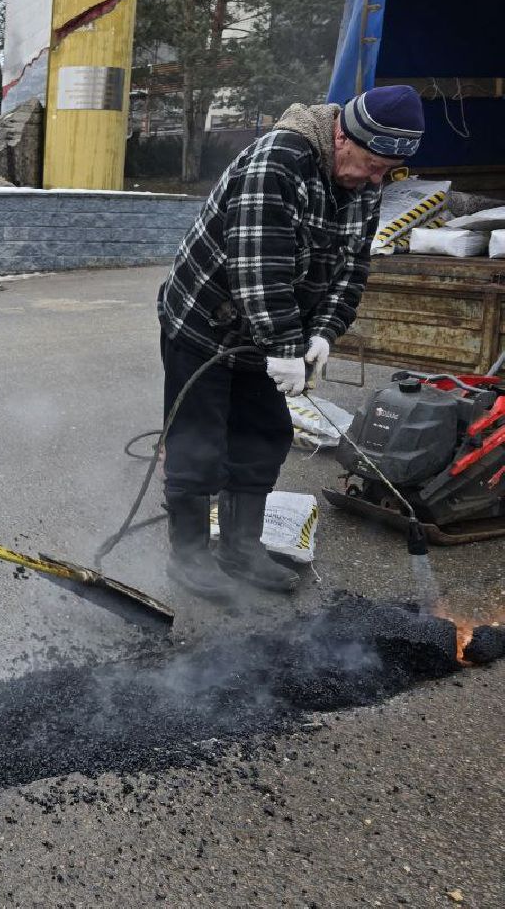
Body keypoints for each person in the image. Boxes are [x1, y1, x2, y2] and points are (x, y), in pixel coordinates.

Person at [156, 84, 424, 600]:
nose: (375, 180)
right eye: (372, 165)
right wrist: (283, 348)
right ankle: (188, 559)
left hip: (268, 330)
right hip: (204, 322)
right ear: (342, 137)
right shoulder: (280, 159)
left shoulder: (365, 183)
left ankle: (240, 549)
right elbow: (259, 265)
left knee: (264, 434)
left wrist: (325, 331)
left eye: (386, 172)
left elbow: (352, 267)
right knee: (199, 443)